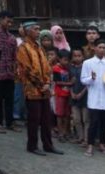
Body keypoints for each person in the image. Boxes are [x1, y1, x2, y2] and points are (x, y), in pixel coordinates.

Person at [16, 20, 63, 156]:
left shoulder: (40, 47)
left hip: (45, 89)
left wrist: (47, 83)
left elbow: (47, 68)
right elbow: (26, 69)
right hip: (32, 89)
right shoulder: (23, 48)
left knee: (46, 119)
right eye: (35, 29)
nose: (38, 31)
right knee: (34, 119)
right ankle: (32, 146)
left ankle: (48, 145)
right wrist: (42, 85)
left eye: (38, 29)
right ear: (27, 31)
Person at [81, 38, 105, 157]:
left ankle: (102, 144)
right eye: (99, 47)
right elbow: (83, 80)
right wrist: (91, 78)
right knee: (93, 123)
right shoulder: (88, 63)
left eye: (104, 48)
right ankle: (90, 145)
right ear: (95, 48)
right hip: (94, 99)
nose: (102, 50)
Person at [52, 49, 73, 142]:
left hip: (68, 94)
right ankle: (60, 133)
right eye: (64, 60)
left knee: (67, 114)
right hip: (60, 94)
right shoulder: (56, 68)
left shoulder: (69, 68)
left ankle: (65, 132)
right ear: (58, 59)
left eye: (68, 60)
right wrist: (70, 83)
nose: (66, 62)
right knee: (60, 115)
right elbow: (57, 82)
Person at [70, 48, 88, 146]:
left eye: (79, 56)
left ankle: (86, 139)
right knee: (76, 119)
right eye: (75, 56)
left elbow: (88, 84)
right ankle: (80, 137)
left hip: (85, 96)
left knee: (85, 119)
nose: (77, 58)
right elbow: (69, 82)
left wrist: (81, 93)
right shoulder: (70, 68)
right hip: (73, 97)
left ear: (83, 57)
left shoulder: (86, 67)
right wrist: (71, 92)